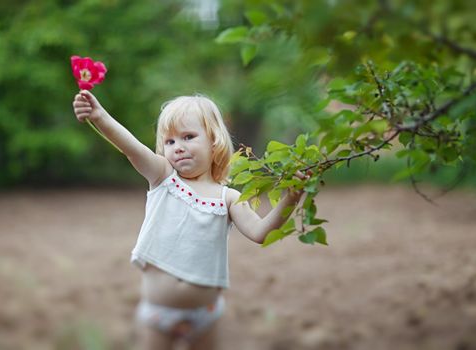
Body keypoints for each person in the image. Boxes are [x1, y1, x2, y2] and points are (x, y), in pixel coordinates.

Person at [72, 91, 306, 350]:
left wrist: (291, 198)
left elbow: (260, 232)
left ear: (214, 141)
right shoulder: (163, 176)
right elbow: (132, 148)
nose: (178, 146)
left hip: (204, 313)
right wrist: (100, 116)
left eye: (188, 137)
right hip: (159, 312)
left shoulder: (228, 197)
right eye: (169, 141)